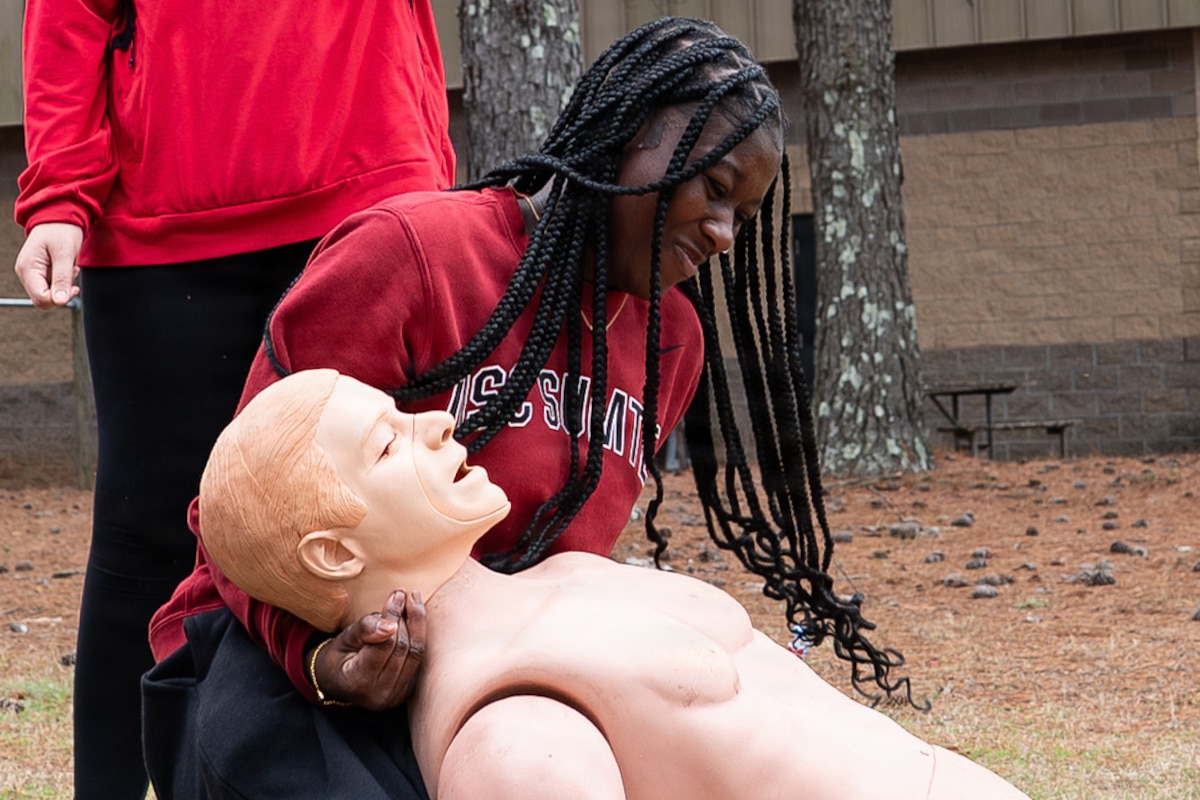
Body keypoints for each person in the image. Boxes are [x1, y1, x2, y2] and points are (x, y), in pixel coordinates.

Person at [151, 17, 913, 726]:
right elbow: (236, 515)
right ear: (626, 135)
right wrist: (320, 662)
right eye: (714, 189)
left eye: (743, 217)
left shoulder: (670, 342)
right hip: (282, 661)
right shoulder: (413, 256)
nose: (722, 234)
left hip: (493, 675)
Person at [194, 368, 1031, 800]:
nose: (438, 420)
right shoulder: (503, 726)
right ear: (336, 556)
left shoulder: (567, 575)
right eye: (387, 445)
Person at [13, 1, 455, 796]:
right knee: (143, 538)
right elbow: (69, 14)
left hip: (368, 194)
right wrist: (59, 193)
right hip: (162, 217)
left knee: (375, 538)